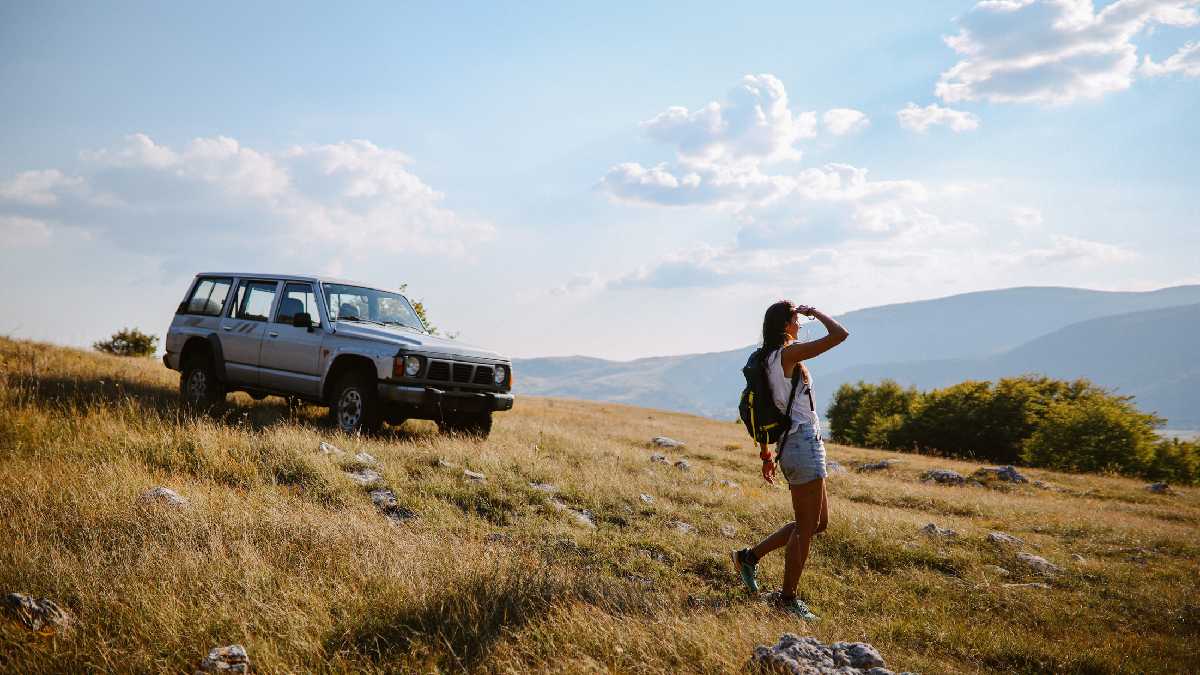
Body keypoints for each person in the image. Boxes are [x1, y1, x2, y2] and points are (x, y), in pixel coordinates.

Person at [731, 301, 849, 620]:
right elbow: (840, 335)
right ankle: (786, 599)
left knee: (816, 524)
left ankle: (749, 557)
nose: (801, 324)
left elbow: (767, 407)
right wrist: (818, 313)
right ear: (786, 325)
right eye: (797, 320)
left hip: (794, 444)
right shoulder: (787, 354)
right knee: (807, 527)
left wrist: (766, 454)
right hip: (801, 445)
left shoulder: (767, 357)